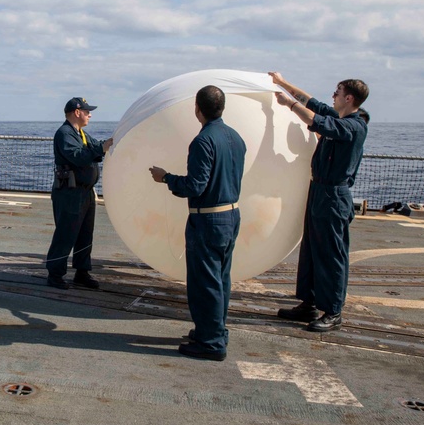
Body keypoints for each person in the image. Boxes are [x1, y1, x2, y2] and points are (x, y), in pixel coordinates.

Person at [148, 86, 246, 362]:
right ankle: (213, 330)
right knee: (221, 279)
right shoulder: (235, 138)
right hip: (230, 215)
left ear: (197, 108)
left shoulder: (203, 141)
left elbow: (196, 185)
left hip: (208, 219)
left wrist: (166, 178)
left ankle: (211, 343)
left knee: (205, 282)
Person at [269, 72, 369, 332]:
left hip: (334, 196)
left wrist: (289, 105)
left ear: (348, 98)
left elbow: (315, 120)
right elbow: (312, 104)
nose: (333, 96)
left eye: (337, 92)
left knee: (331, 255)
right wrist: (282, 83)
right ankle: (309, 303)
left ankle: (334, 312)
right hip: (319, 191)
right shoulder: (340, 118)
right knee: (312, 250)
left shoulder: (353, 126)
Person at [45, 97, 114, 289]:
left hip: (85, 192)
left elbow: (94, 149)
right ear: (77, 112)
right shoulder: (64, 134)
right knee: (66, 233)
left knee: (85, 233)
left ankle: (82, 272)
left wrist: (107, 144)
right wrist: (102, 147)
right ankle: (55, 274)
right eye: (86, 111)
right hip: (70, 194)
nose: (89, 114)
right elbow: (78, 156)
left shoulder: (81, 134)